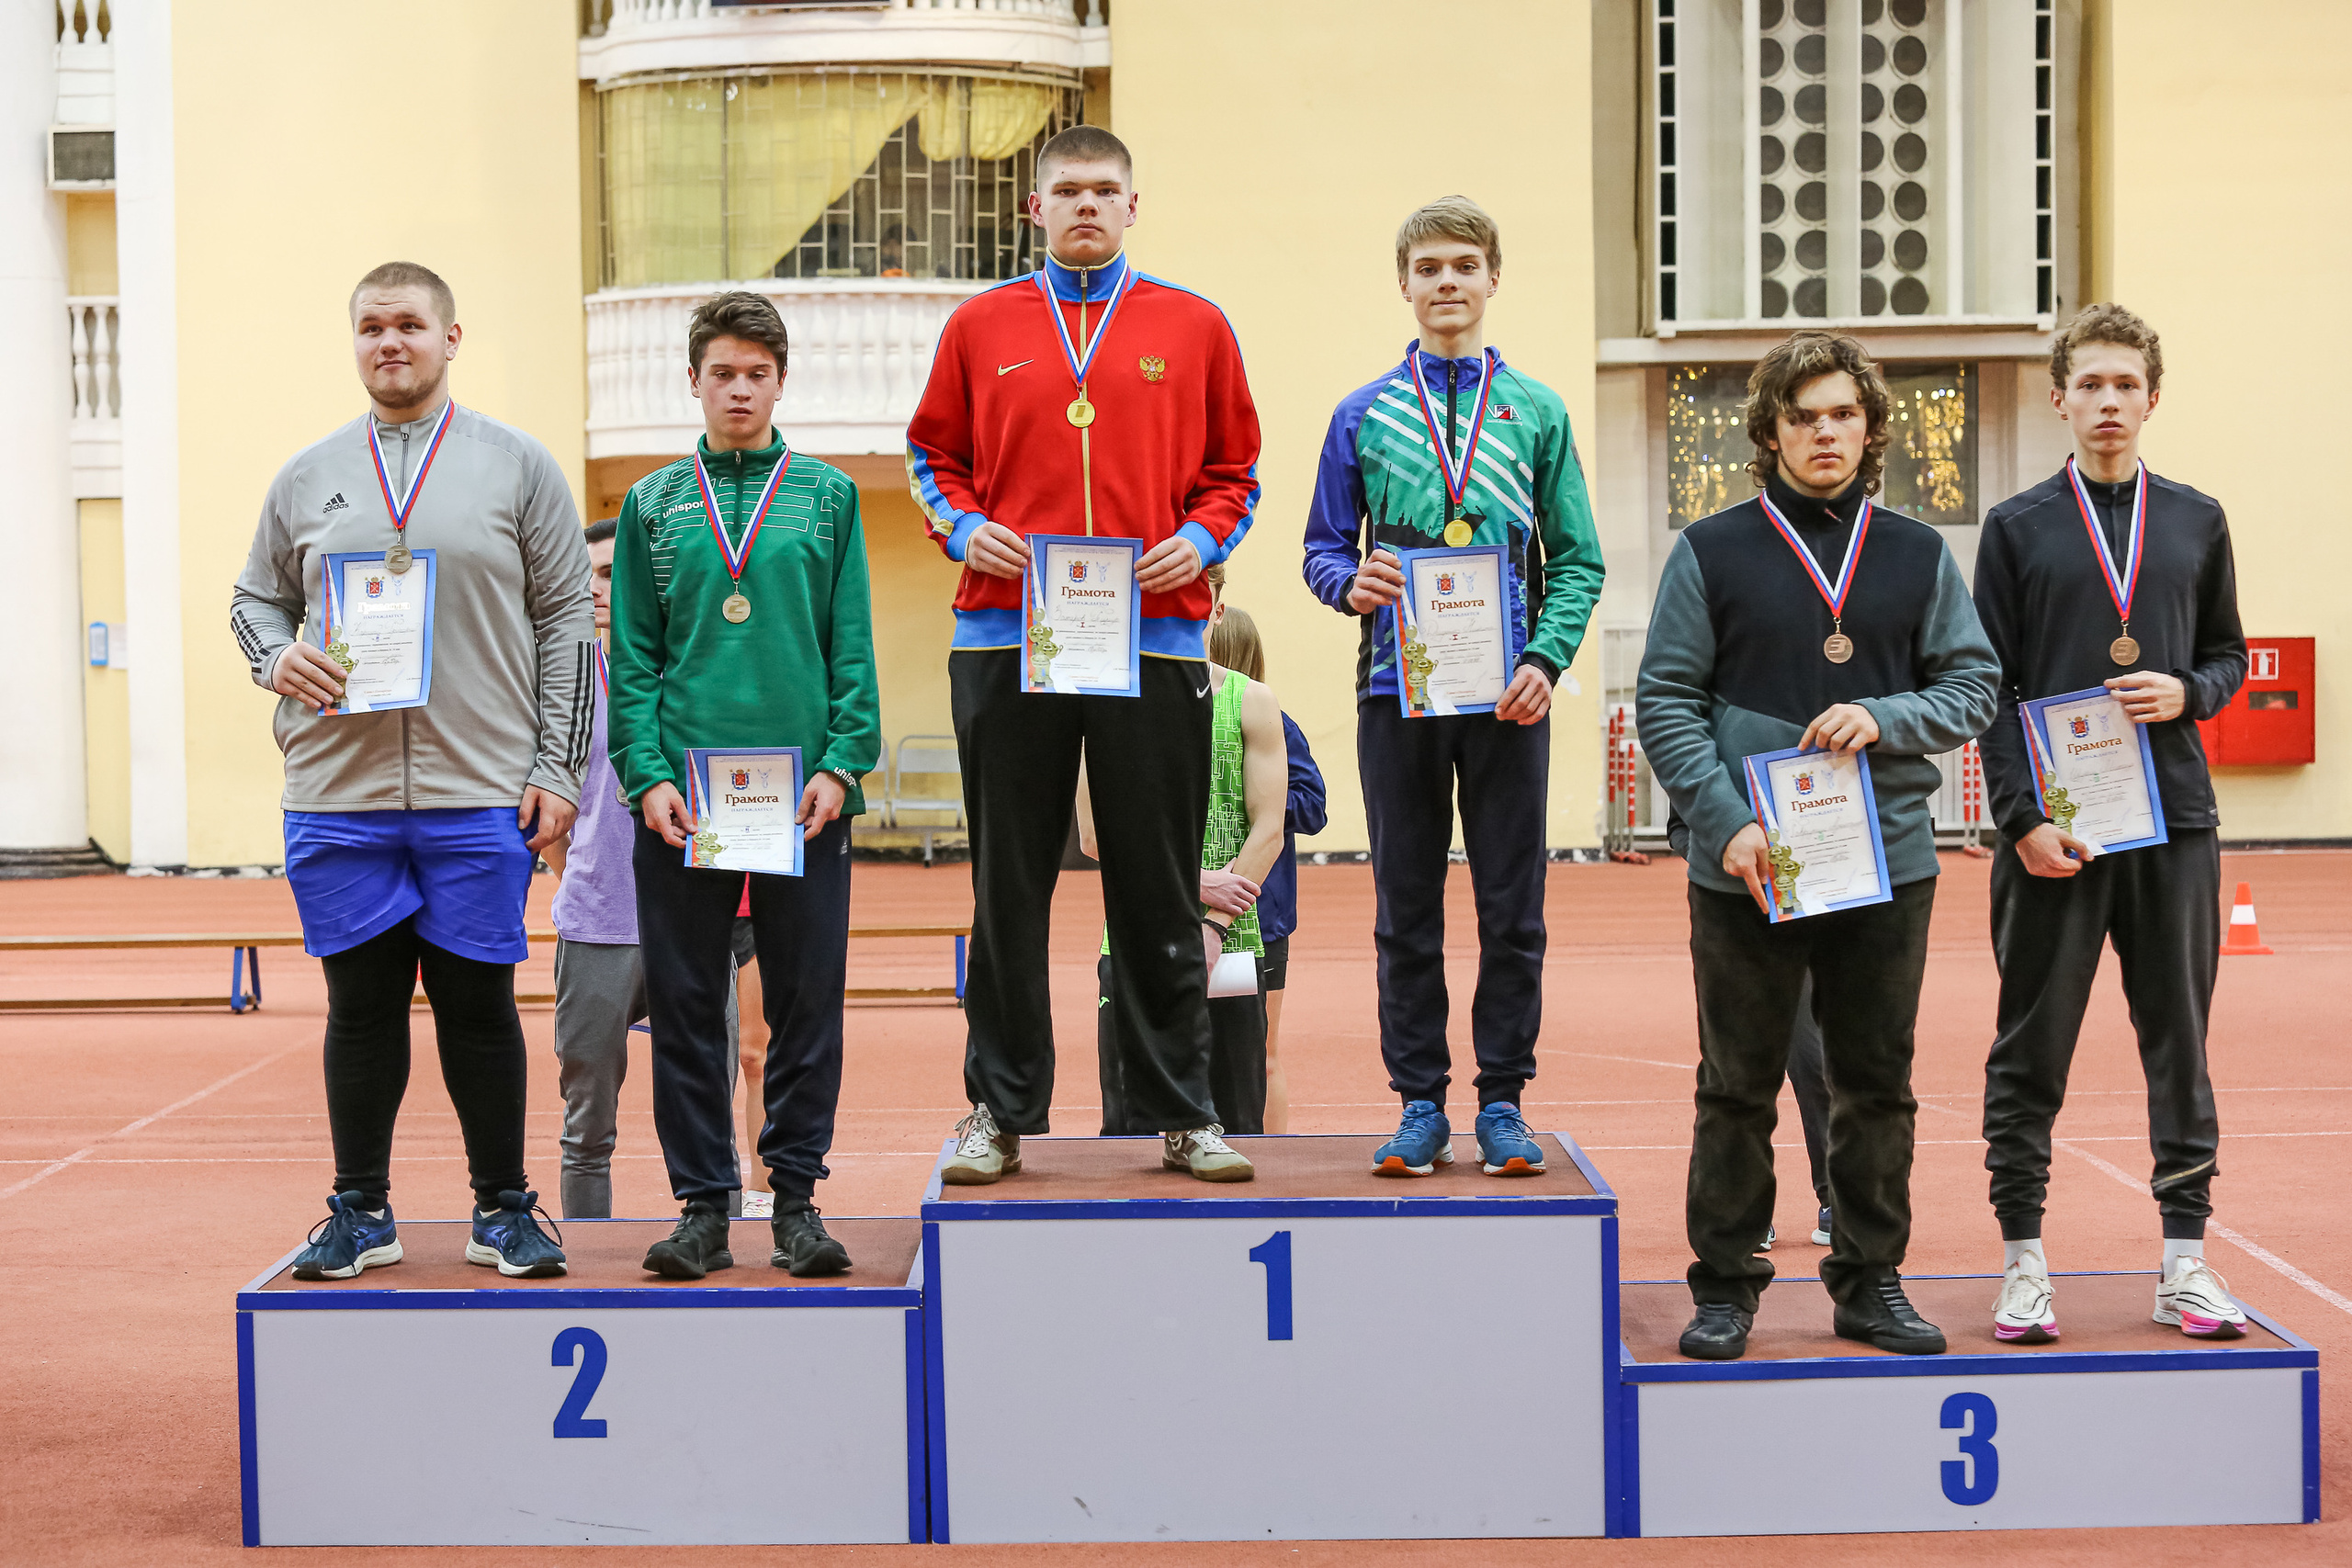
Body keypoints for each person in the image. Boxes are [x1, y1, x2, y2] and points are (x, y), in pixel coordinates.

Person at [905, 124, 1264, 1184]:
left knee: (1154, 882)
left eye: (1106, 191)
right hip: (1005, 637)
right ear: (1036, 210)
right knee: (1006, 884)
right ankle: (999, 1113)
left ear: (1133, 207)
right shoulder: (980, 327)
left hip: (1152, 641)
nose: (1087, 207)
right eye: (1067, 192)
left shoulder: (1193, 325)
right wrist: (966, 531)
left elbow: (1234, 471)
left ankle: (1182, 1111)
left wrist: (1197, 543)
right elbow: (933, 459)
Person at [1636, 330, 1998, 1359]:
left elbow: (1973, 687)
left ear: (1870, 428)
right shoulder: (1711, 549)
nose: (1823, 432)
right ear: (1770, 433)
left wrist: (1884, 715)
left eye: (1841, 413)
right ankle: (1725, 1288)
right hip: (1746, 860)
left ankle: (1870, 1282)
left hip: (1886, 859)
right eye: (1802, 417)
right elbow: (1665, 701)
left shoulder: (1919, 553)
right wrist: (1727, 822)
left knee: (1874, 1083)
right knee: (1735, 1083)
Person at [231, 261, 589, 1280]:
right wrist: (272, 655)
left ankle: (503, 1210)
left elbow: (568, 619)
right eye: (372, 327)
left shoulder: (516, 465)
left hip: (478, 785)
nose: (391, 343)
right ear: (355, 343)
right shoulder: (308, 475)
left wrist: (556, 770)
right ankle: (362, 1212)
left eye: (410, 326)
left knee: (479, 1007)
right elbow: (254, 599)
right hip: (338, 792)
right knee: (360, 1008)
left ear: (451, 337)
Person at [1300, 196, 1605, 1179]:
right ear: (1404, 284)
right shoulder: (1361, 413)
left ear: (1491, 279)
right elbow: (1317, 549)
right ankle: (1421, 1103)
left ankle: (1504, 1101)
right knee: (1406, 907)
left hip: (1509, 697)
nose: (1445, 282)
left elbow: (1579, 563)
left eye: (1463, 265)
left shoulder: (1539, 411)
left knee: (1513, 906)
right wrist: (1350, 584)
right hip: (1398, 690)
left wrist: (1544, 659)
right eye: (1427, 267)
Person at [1973, 305, 2250, 1342]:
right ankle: (2022, 1263)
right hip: (2057, 835)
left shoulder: (2196, 519)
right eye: (2087, 385)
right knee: (2030, 1047)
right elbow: (1985, 688)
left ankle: (2184, 1263)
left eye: (2124, 385)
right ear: (2058, 399)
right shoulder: (2016, 527)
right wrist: (2020, 820)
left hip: (2173, 821)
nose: (2106, 402)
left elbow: (2225, 652)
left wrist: (2189, 692)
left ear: (2151, 399)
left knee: (2177, 1039)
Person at [606, 290, 880, 1278]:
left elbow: (850, 640)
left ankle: (797, 1201)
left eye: (756, 374)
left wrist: (846, 764)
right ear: (693, 380)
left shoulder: (827, 495)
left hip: (803, 795)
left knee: (808, 1001)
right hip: (684, 799)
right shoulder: (650, 503)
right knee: (685, 1006)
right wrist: (643, 776)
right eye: (721, 373)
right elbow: (631, 657)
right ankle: (702, 1210)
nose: (739, 389)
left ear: (779, 381)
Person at [543, 518, 755, 1221]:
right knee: (588, 1124)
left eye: (613, 574)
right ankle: (586, 1263)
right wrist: (580, 872)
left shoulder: (697, 672)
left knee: (708, 1109)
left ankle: (713, 1243)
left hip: (694, 919)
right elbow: (546, 808)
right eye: (591, 575)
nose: (600, 589)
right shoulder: (561, 686)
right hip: (598, 925)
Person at [1081, 569, 1287, 1141]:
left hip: (1233, 942)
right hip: (1132, 940)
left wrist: (1216, 924)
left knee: (1236, 1121)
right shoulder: (1103, 698)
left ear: (1216, 612)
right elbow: (1095, 834)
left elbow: (1269, 827)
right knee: (1128, 1128)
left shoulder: (1253, 702)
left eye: (1195, 602)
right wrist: (1193, 885)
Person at [1207, 604, 1327, 1134]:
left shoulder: (1272, 721)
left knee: (1260, 1050)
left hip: (1257, 915)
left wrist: (1263, 807)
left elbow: (1313, 804)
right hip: (1204, 897)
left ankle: (1270, 1157)